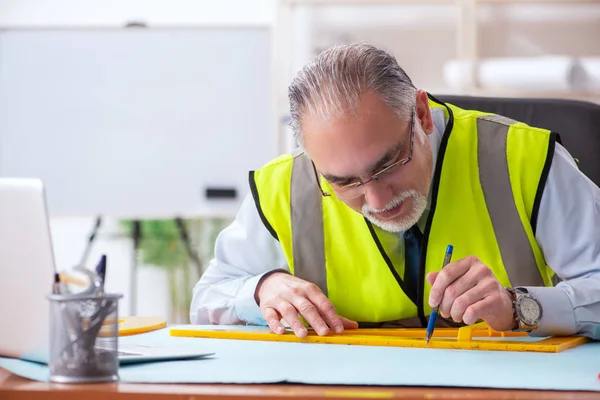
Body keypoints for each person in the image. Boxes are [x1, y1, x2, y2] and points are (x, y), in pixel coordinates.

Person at [190, 42, 600, 340]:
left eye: (388, 165)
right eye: (344, 182)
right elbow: (207, 299)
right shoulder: (283, 186)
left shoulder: (526, 158)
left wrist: (519, 306)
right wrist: (262, 288)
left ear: (421, 114)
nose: (377, 202)